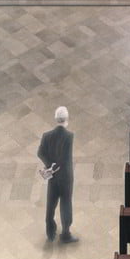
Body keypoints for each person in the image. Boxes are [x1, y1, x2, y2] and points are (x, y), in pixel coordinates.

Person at [37, 104, 77, 243]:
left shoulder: (46, 136)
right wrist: (56, 165)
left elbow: (40, 152)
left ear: (56, 119)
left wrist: (49, 165)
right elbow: (65, 157)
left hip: (53, 177)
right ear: (66, 119)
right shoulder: (69, 136)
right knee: (66, 204)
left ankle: (50, 231)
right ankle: (65, 233)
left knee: (51, 203)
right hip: (65, 177)